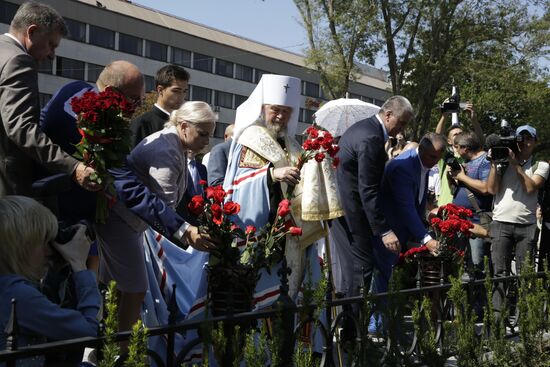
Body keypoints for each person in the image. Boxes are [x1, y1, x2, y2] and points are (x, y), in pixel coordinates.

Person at [95, 101, 217, 335]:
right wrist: (188, 231)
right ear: (183, 126)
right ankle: (120, 350)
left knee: (119, 289)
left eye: (209, 136)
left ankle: (109, 343)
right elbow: (163, 205)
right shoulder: (167, 150)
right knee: (134, 289)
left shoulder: (175, 144)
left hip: (127, 222)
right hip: (124, 221)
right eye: (202, 134)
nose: (206, 142)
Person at [223, 74, 325, 299]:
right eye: (275, 109)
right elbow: (239, 185)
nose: (280, 116)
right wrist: (271, 174)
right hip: (263, 229)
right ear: (263, 107)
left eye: (286, 111)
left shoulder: (291, 144)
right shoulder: (250, 138)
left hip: (291, 232)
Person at [0, 1, 98, 197]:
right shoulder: (19, 61)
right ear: (32, 32)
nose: (53, 55)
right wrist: (73, 166)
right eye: (51, 45)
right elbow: (21, 128)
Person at [0, 196, 100, 366]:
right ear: (23, 245)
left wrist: (59, 265)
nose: (49, 251)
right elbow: (88, 332)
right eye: (44, 241)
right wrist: (80, 266)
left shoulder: (7, 286)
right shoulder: (18, 295)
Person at [335, 96, 413, 300]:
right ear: (388, 115)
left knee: (352, 270)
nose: (402, 129)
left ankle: (349, 326)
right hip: (354, 213)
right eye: (402, 122)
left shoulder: (364, 128)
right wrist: (385, 230)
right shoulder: (371, 137)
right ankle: (353, 328)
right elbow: (367, 188)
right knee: (361, 269)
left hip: (345, 211)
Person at [487, 125, 549, 318]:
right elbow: (491, 189)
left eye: (528, 138)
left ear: (535, 141)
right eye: (520, 138)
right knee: (499, 273)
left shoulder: (541, 164)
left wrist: (515, 165)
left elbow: (531, 188)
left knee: (525, 275)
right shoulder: (503, 159)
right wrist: (495, 164)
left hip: (527, 224)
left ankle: (525, 321)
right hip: (501, 222)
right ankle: (498, 320)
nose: (524, 142)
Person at [447, 131, 492, 270]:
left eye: (456, 147)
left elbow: (486, 188)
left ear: (465, 148)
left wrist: (462, 177)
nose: (456, 150)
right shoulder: (466, 162)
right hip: (461, 221)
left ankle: (481, 291)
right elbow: (458, 188)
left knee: (477, 265)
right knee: (460, 266)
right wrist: (452, 177)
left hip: (477, 223)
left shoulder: (485, 161)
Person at [434, 101, 483, 206]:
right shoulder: (446, 156)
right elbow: (437, 138)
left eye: (461, 134)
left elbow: (480, 142)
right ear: (449, 141)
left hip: (466, 208)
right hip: (446, 206)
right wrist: (444, 114)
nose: (458, 136)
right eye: (455, 134)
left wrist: (473, 119)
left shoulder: (470, 155)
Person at [130, 64, 189, 147]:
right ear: (160, 90)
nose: (182, 96)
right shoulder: (143, 124)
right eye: (176, 91)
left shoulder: (182, 124)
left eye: (185, 91)